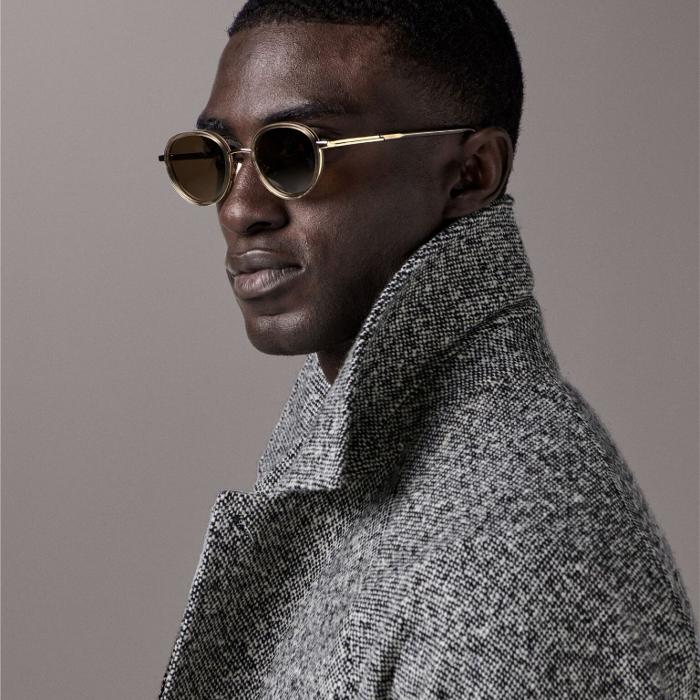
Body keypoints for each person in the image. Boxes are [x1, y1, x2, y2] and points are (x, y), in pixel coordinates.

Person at [156, 1, 699, 697]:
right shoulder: (378, 456)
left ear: (470, 172)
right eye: (214, 158)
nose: (239, 209)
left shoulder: (515, 536)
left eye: (294, 152)